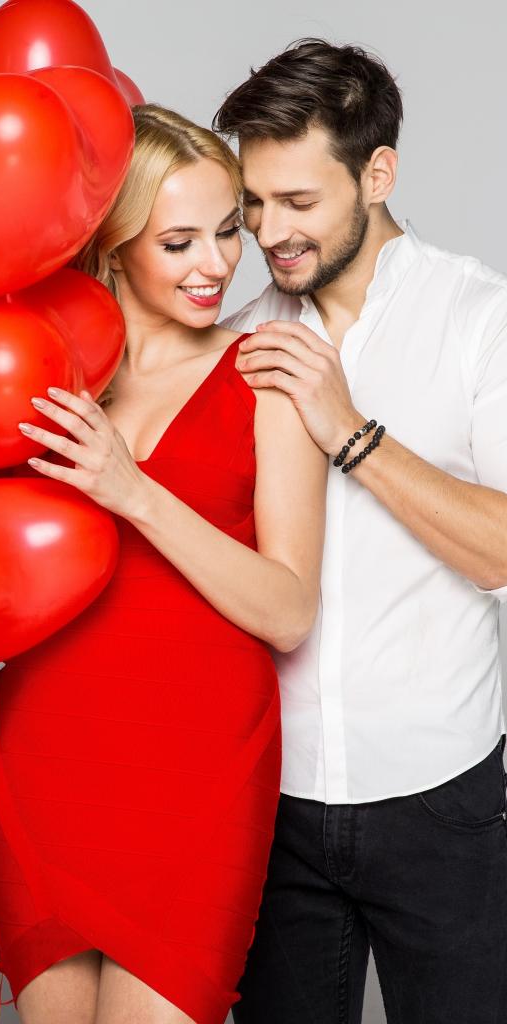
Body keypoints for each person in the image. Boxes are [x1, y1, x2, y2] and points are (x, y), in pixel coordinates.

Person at [0, 104, 326, 1024]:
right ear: (114, 243)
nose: (218, 264)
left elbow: (290, 608)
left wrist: (133, 490)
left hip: (197, 779)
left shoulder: (268, 372)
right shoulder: (44, 379)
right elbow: (44, 578)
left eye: (228, 231)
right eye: (179, 242)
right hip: (46, 761)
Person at [211, 37, 507, 1024]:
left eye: (299, 201)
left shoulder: (479, 319)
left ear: (378, 174)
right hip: (271, 806)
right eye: (255, 202)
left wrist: (350, 432)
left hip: (443, 800)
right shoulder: (234, 341)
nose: (269, 231)